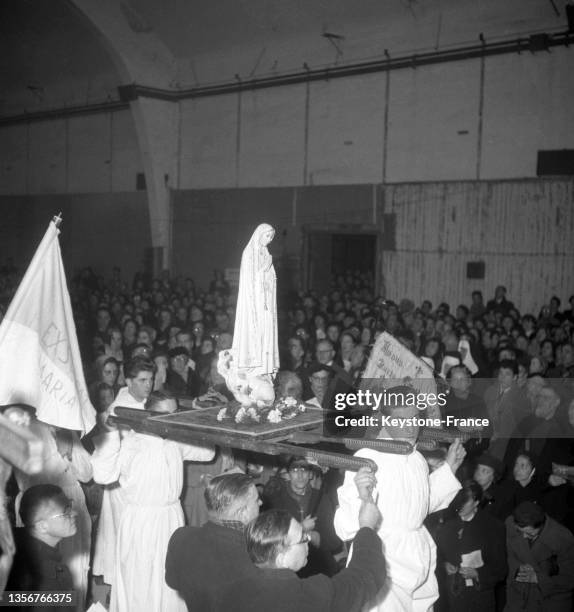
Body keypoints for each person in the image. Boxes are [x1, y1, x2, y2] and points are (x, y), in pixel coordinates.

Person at [334, 386, 466, 612]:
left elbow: (419, 507)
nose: (410, 426)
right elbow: (345, 527)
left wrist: (450, 467)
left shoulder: (417, 458)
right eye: (400, 420)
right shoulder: (368, 458)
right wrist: (362, 498)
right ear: (385, 420)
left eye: (415, 418)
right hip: (385, 559)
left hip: (419, 555)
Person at [92, 388, 214, 612]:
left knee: (170, 581)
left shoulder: (175, 441)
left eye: (176, 413)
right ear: (149, 416)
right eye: (167, 414)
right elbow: (102, 475)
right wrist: (110, 435)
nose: (173, 419)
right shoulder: (130, 442)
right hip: (141, 521)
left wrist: (199, 420)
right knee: (140, 580)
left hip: (171, 518)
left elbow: (207, 453)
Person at [219, 469, 385, 612]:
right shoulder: (304, 597)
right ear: (280, 557)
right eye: (302, 538)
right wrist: (367, 527)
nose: (308, 540)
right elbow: (364, 578)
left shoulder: (233, 590)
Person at [165, 473, 262, 611]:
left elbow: (172, 582)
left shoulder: (181, 538)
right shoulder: (256, 556)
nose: (261, 503)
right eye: (256, 500)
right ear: (243, 512)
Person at [435, 480, 507, 612]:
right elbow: (436, 559)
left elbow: (501, 569)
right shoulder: (445, 528)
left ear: (477, 502)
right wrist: (444, 565)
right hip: (451, 597)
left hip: (479, 598)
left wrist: (478, 574)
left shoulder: (493, 527)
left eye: (465, 502)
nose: (460, 506)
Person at [7, 485, 76, 612]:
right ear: (42, 526)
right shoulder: (46, 581)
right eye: (66, 512)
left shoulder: (16, 546)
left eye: (70, 505)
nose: (74, 513)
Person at [506, 501, 574, 612]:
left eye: (530, 534)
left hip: (549, 601)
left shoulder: (563, 538)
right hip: (518, 598)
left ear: (541, 526)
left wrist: (538, 578)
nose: (523, 536)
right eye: (520, 531)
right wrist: (518, 568)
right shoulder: (510, 523)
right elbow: (508, 556)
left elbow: (569, 579)